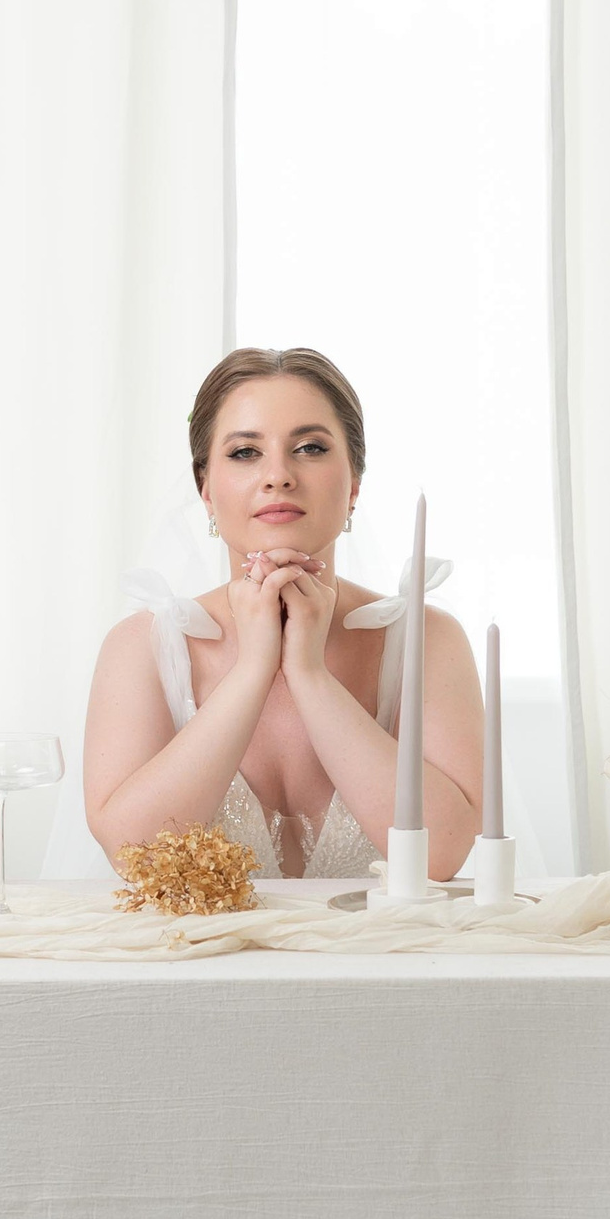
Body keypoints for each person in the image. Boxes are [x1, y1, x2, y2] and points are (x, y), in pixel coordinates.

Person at [84, 347, 483, 888]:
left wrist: (310, 675)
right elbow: (138, 859)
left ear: (354, 485)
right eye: (245, 452)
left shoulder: (426, 640)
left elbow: (442, 855)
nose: (278, 476)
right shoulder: (144, 646)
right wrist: (252, 670)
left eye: (310, 448)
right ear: (206, 490)